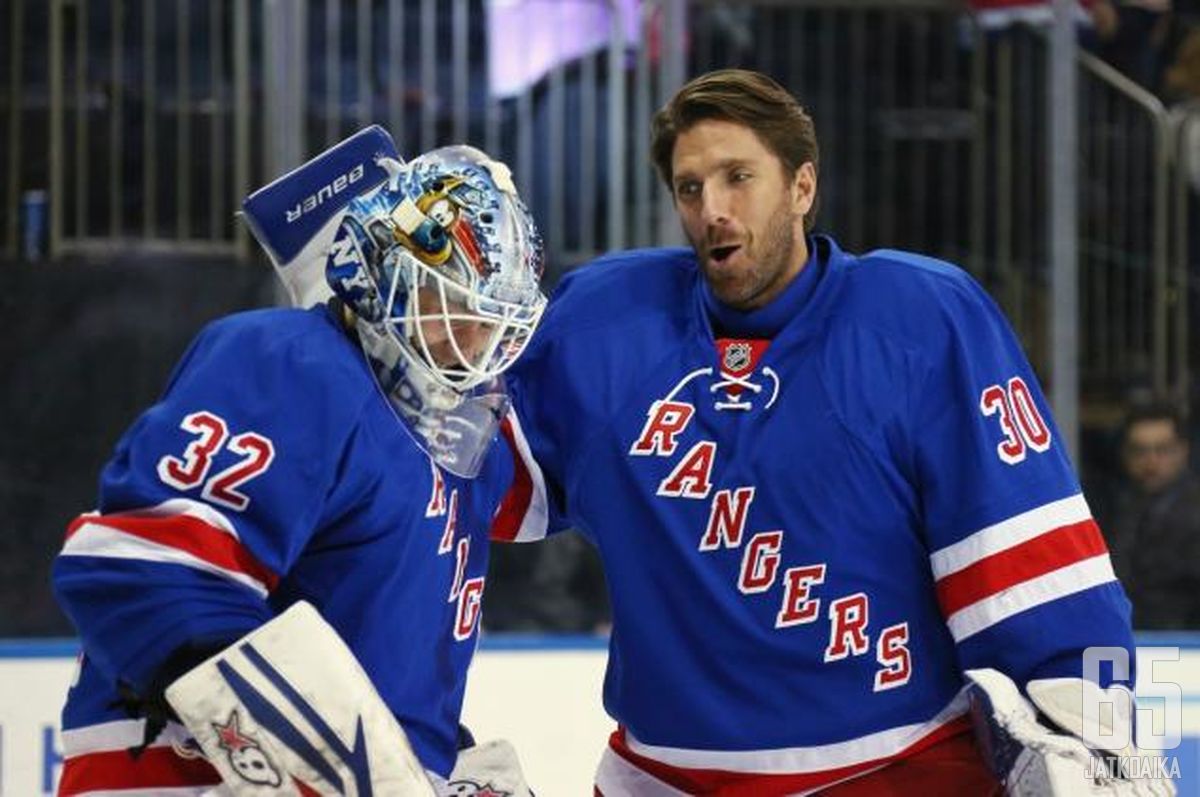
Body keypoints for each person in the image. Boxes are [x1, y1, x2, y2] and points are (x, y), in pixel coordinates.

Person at [496, 69, 1169, 795]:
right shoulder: (605, 323)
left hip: (895, 768)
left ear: (802, 186)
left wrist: (1100, 734)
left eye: (738, 177)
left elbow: (1046, 578)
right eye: (691, 188)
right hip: (662, 778)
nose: (713, 209)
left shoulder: (918, 322)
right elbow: (476, 486)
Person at [51, 143, 547, 795]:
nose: (474, 343)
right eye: (454, 305)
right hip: (182, 770)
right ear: (384, 271)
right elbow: (145, 566)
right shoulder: (292, 361)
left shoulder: (459, 442)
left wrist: (429, 762)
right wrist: (326, 761)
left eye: (490, 321)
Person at [1105, 402, 1200, 629]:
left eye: (1163, 450)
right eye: (1139, 450)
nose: (1151, 461)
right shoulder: (1117, 508)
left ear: (1183, 450)